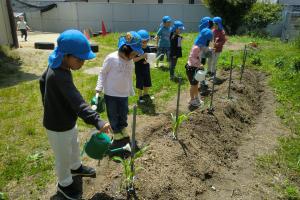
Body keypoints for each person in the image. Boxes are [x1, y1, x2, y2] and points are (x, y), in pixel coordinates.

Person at [39, 29, 111, 200]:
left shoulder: (57, 65)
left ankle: (76, 167)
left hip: (66, 120)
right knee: (62, 157)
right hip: (57, 126)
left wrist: (48, 103)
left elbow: (41, 81)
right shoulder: (59, 76)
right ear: (65, 55)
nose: (82, 63)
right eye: (79, 59)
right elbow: (77, 102)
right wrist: (97, 121)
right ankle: (64, 184)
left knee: (73, 146)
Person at [95, 31, 143, 156]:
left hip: (123, 94)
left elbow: (128, 77)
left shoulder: (130, 61)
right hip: (111, 94)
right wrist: (98, 89)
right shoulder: (111, 58)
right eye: (134, 53)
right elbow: (102, 73)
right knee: (112, 114)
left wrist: (130, 90)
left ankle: (122, 128)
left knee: (123, 113)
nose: (135, 56)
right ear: (125, 49)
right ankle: (116, 132)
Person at [186, 28, 213, 108]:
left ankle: (196, 98)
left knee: (196, 84)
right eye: (208, 41)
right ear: (205, 40)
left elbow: (205, 51)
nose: (209, 43)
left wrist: (211, 49)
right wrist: (199, 64)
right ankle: (192, 100)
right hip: (191, 68)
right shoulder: (196, 48)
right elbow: (191, 58)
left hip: (196, 68)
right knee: (193, 85)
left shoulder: (201, 46)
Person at [133, 29, 153, 104]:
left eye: (146, 41)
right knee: (140, 82)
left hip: (146, 68)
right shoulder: (136, 49)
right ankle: (140, 96)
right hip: (139, 69)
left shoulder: (148, 48)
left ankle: (146, 94)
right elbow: (134, 60)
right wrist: (142, 57)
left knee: (147, 81)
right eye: (143, 42)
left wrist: (148, 60)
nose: (145, 43)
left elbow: (149, 57)